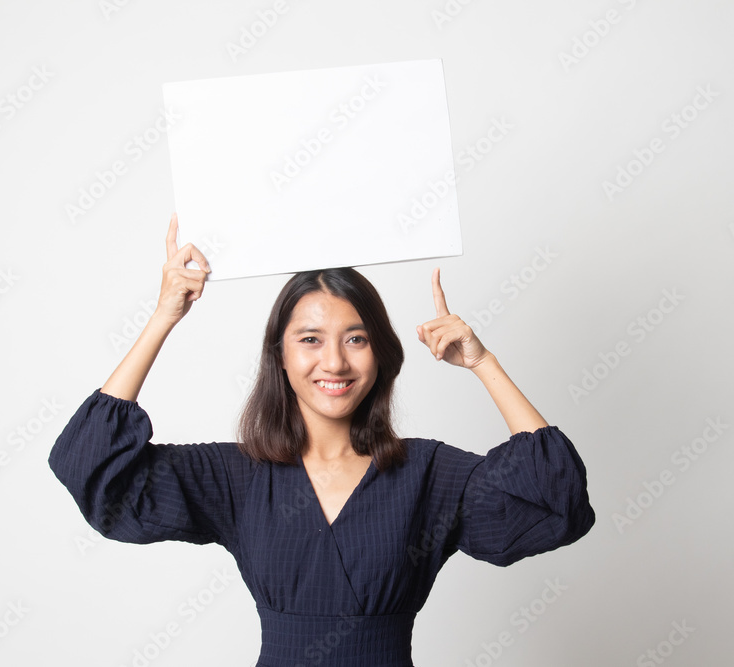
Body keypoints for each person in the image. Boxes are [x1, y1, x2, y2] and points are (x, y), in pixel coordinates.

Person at [48, 214, 595, 667]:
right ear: (279, 355)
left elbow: (554, 501)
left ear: (379, 352)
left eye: (355, 339)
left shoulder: (428, 472)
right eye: (310, 339)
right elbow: (96, 470)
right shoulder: (237, 475)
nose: (334, 361)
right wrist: (165, 314)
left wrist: (483, 362)